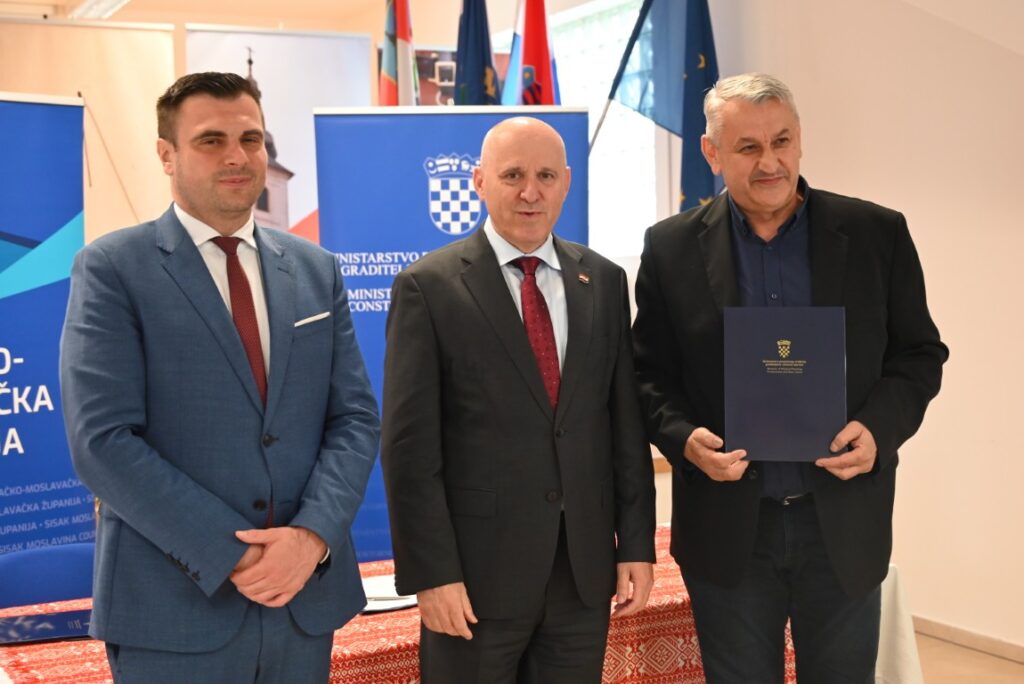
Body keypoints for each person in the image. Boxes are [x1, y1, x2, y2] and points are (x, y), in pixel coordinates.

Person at [59, 72, 380, 683]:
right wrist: (232, 553)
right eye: (211, 140)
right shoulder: (112, 268)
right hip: (173, 611)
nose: (237, 156)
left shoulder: (316, 270)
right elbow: (102, 441)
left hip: (302, 603)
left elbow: (355, 418)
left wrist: (311, 538)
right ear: (166, 154)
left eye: (250, 139)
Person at [632, 73, 948, 683]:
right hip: (728, 531)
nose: (770, 162)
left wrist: (878, 429)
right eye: (748, 147)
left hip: (841, 526)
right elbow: (648, 373)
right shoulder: (670, 248)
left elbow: (919, 354)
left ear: (800, 140)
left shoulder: (876, 234)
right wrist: (684, 440)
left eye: (781, 141)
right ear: (712, 153)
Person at [381, 116, 656, 682]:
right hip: (474, 581)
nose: (531, 192)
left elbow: (624, 427)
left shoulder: (603, 281)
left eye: (545, 176)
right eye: (512, 175)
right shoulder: (428, 287)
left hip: (582, 575)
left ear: (566, 182)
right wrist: (432, 574)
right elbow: (409, 451)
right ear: (479, 182)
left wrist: (635, 544)